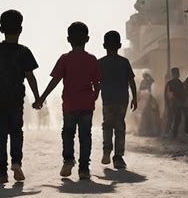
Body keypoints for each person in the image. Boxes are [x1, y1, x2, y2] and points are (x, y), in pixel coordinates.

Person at [0, 10, 40, 184]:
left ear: (1, 29)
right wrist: (38, 98)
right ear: (20, 29)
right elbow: (30, 76)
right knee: (16, 131)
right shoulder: (24, 51)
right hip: (16, 97)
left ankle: (1, 172)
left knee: (0, 134)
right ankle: (17, 162)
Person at [33, 22, 101, 179]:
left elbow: (54, 81)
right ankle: (84, 168)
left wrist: (41, 98)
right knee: (85, 136)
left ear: (68, 39)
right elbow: (97, 83)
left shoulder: (65, 59)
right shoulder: (92, 59)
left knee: (68, 133)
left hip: (70, 105)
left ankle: (68, 160)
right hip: (86, 105)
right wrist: (95, 95)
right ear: (87, 39)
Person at [97, 31, 137, 169]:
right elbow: (131, 81)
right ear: (119, 45)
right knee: (119, 127)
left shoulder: (100, 62)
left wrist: (95, 95)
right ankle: (118, 157)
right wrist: (135, 98)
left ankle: (106, 151)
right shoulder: (124, 62)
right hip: (122, 100)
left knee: (107, 125)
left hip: (107, 99)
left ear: (104, 46)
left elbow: (96, 82)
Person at [164, 68, 186, 137]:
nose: (176, 75)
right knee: (172, 118)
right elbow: (167, 94)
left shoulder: (179, 83)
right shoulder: (171, 83)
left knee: (176, 118)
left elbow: (183, 93)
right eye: (175, 74)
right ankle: (169, 132)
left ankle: (173, 132)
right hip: (173, 103)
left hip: (176, 103)